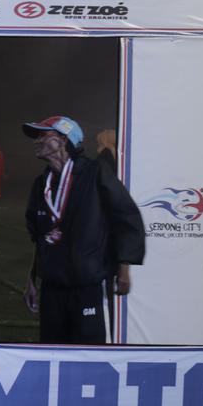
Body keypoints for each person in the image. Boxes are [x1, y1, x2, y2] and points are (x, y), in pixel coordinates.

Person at [22, 115, 145, 344]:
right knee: (52, 348)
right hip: (52, 286)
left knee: (89, 350)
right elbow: (39, 237)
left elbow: (125, 216)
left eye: (43, 135)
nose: (36, 141)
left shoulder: (95, 172)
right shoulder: (42, 184)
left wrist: (124, 266)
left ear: (64, 139)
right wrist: (32, 278)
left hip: (89, 282)